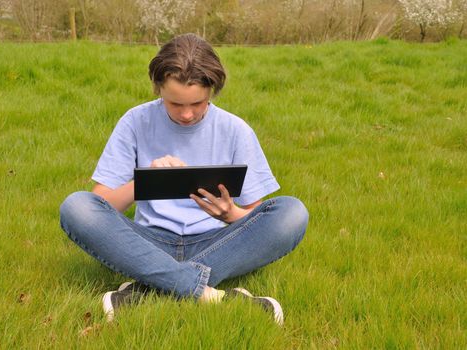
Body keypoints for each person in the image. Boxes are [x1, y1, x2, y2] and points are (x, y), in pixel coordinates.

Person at [59, 33, 308, 326]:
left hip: (217, 243)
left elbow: (256, 216)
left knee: (292, 213)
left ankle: (150, 286)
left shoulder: (235, 130)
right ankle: (213, 296)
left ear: (212, 91)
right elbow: (100, 204)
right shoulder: (135, 122)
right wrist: (144, 183)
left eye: (198, 103)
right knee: (75, 207)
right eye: (175, 104)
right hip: (149, 241)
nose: (187, 114)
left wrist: (231, 214)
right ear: (158, 89)